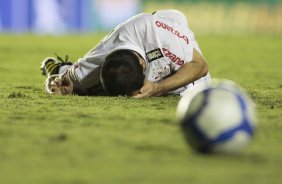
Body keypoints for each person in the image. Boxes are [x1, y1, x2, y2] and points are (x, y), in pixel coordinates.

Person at [41, 9, 211, 98]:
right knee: (84, 88)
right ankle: (61, 64)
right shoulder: (98, 57)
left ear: (144, 64)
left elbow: (200, 66)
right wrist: (57, 80)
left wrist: (158, 88)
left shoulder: (163, 38)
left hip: (168, 26)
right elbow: (65, 83)